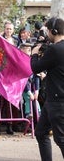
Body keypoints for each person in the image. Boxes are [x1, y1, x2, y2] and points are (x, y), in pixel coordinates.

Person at [31, 17, 64, 161]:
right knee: (41, 132)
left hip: (58, 102)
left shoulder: (55, 49)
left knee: (61, 139)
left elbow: (35, 68)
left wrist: (34, 54)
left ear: (53, 31)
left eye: (48, 31)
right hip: (53, 99)